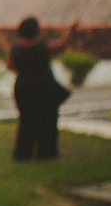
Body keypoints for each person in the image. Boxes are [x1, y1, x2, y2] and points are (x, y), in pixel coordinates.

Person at [8, 16, 74, 160]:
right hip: (43, 87)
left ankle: (23, 153)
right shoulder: (43, 48)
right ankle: (46, 152)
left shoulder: (16, 50)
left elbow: (10, 66)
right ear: (36, 31)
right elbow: (62, 46)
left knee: (26, 120)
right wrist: (70, 30)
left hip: (23, 87)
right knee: (47, 120)